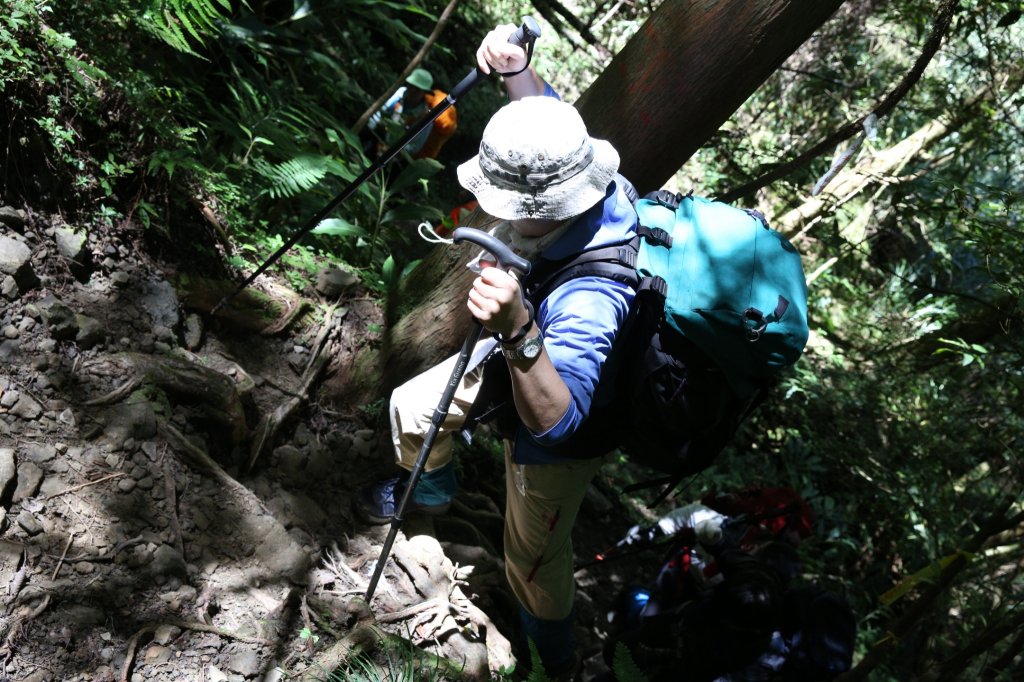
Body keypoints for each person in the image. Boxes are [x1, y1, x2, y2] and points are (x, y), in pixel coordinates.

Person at [356, 22, 638, 679]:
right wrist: (517, 74)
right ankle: (431, 499)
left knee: (532, 563)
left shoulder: (596, 292)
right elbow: (548, 129)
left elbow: (560, 420)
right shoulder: (568, 170)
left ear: (549, 204)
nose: (490, 205)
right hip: (527, 349)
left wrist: (515, 325)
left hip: (562, 420)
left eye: (507, 200)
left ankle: (553, 661)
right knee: (412, 410)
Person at [367, 67, 439, 157]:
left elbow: (414, 147)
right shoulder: (399, 93)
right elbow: (380, 111)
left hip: (393, 155)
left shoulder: (425, 118)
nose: (412, 91)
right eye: (411, 86)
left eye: (417, 89)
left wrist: (394, 149)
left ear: (424, 92)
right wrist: (374, 125)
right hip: (376, 137)